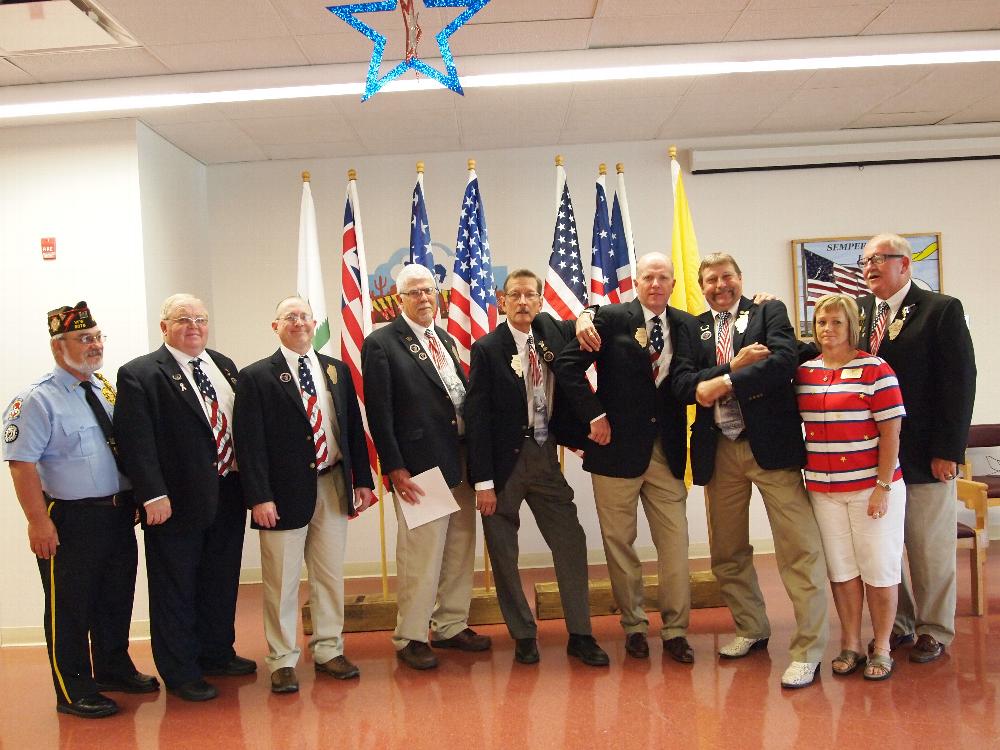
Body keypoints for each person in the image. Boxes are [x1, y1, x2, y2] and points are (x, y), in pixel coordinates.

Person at [671, 252, 828, 689]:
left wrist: (721, 383)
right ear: (701, 286)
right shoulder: (692, 327)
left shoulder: (768, 311)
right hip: (719, 450)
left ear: (740, 278)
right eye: (711, 280)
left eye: (727, 277)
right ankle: (751, 627)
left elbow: (782, 363)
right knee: (727, 550)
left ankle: (808, 649)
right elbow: (683, 384)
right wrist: (733, 367)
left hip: (771, 448)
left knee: (799, 548)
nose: (720, 286)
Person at [3, 301, 158, 718]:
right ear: (59, 347)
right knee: (71, 607)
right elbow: (21, 466)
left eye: (96, 337)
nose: (93, 345)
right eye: (82, 339)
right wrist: (38, 521)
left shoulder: (104, 389)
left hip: (116, 513)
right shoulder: (37, 400)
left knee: (114, 597)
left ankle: (112, 667)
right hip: (71, 520)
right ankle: (73, 689)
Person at [552, 252, 699, 664]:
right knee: (620, 544)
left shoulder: (687, 325)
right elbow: (567, 366)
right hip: (614, 452)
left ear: (672, 284)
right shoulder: (612, 318)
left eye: (663, 278)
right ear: (637, 281)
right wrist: (593, 414)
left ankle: (675, 631)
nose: (656, 284)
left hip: (667, 453)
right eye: (648, 277)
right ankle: (634, 625)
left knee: (675, 544)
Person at [114, 294, 254, 702]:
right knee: (176, 586)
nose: (193, 326)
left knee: (220, 578)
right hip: (175, 500)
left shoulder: (223, 365)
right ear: (164, 327)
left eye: (200, 319)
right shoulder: (140, 374)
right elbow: (136, 442)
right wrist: (152, 494)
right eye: (183, 319)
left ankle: (216, 652)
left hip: (228, 490)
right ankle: (181, 670)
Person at [466, 269, 608, 667]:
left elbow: (592, 320)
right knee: (504, 552)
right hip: (503, 464)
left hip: (545, 456)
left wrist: (584, 316)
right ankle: (523, 633)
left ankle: (580, 633)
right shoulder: (487, 348)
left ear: (541, 301)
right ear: (503, 301)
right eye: (516, 296)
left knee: (571, 541)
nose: (524, 302)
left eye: (531, 295)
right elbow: (476, 419)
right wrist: (483, 483)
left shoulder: (551, 332)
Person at [233, 296, 376, 694]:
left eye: (304, 317)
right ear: (275, 325)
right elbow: (249, 443)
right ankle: (282, 659)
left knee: (330, 576)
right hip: (280, 495)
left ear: (315, 324)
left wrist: (361, 480)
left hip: (332, 484)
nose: (298, 323)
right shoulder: (256, 376)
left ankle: (329, 648)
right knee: (281, 581)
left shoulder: (335, 370)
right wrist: (259, 497)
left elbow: (350, 429)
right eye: (289, 317)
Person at [362, 264, 491, 670]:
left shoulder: (447, 340)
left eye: (429, 291)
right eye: (414, 292)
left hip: (461, 459)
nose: (423, 299)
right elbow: (379, 412)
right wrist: (394, 466)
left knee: (458, 547)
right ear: (399, 299)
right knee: (422, 554)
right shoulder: (382, 343)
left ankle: (451, 624)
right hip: (421, 465)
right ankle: (411, 635)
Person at [855, 233, 976, 663]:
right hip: (874, 457)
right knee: (884, 547)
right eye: (865, 260)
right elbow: (827, 352)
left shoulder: (940, 310)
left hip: (926, 454)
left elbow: (959, 383)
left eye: (878, 259)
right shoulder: (863, 311)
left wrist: (950, 449)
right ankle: (900, 624)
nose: (868, 266)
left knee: (928, 548)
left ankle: (935, 629)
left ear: (905, 265)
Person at [795, 294, 906, 680]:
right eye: (822, 321)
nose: (828, 329)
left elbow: (891, 433)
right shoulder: (805, 372)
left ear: (851, 327)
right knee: (842, 571)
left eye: (836, 322)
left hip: (871, 488)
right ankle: (851, 644)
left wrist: (882, 486)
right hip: (824, 490)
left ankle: (882, 646)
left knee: (878, 569)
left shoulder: (876, 369)